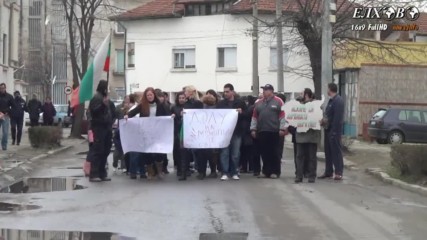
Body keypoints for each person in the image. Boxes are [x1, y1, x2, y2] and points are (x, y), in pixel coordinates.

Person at [125, 87, 170, 180]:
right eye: (148, 95)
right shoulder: (142, 105)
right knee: (148, 152)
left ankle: (159, 171)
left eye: (151, 95)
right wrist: (127, 116)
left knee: (159, 152)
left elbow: (167, 115)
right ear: (146, 96)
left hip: (158, 133)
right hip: (146, 132)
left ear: (154, 95)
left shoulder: (160, 105)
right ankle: (150, 171)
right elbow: (132, 113)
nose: (149, 97)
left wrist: (171, 116)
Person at [250, 84, 287, 179]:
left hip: (275, 131)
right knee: (264, 152)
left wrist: (282, 128)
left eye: (266, 90)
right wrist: (253, 129)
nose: (264, 91)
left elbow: (283, 116)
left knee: (275, 152)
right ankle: (266, 171)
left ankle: (275, 171)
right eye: (263, 90)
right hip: (262, 131)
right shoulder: (259, 103)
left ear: (271, 91)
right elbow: (254, 117)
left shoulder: (278, 101)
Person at [217, 83, 247, 181]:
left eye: (227, 91)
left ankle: (234, 171)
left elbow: (247, 115)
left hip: (236, 131)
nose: (225, 93)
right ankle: (225, 172)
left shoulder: (240, 102)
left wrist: (241, 112)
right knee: (224, 152)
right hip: (224, 132)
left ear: (232, 92)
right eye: (224, 92)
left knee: (235, 153)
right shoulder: (221, 104)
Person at [88, 80, 113, 182]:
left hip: (106, 127)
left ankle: (102, 172)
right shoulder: (97, 98)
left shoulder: (104, 98)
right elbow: (94, 111)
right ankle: (94, 174)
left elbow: (111, 112)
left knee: (105, 150)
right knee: (98, 151)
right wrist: (103, 104)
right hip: (99, 128)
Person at [319, 83, 345, 181]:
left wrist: (334, 132)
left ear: (330, 89)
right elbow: (329, 116)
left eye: (327, 88)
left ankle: (338, 172)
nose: (327, 90)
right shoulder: (331, 101)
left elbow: (338, 118)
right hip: (327, 130)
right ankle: (328, 171)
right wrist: (323, 121)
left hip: (334, 131)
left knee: (336, 152)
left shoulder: (338, 101)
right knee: (328, 152)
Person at [295, 88, 320, 183]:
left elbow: (320, 117)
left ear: (306, 95)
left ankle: (311, 176)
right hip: (301, 135)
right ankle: (299, 175)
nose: (300, 95)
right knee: (300, 156)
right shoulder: (298, 105)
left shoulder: (315, 105)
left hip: (312, 135)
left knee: (311, 157)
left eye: (302, 93)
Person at [178, 85, 203, 181]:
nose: (185, 93)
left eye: (186, 92)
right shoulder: (185, 103)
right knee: (184, 151)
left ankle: (201, 171)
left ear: (191, 92)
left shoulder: (198, 103)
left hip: (195, 129)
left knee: (198, 152)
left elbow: (199, 115)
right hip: (186, 128)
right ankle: (184, 173)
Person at [197, 91, 219, 180]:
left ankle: (202, 172)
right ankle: (213, 172)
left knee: (203, 155)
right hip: (210, 135)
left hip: (204, 134)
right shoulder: (216, 109)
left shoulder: (201, 109)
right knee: (211, 154)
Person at [171, 91, 186, 176]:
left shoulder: (188, 107)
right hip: (177, 132)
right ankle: (179, 169)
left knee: (184, 153)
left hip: (187, 132)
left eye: (183, 98)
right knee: (178, 152)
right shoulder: (174, 107)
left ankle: (185, 169)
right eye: (180, 98)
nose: (181, 99)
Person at [240, 95, 256, 174]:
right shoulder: (252, 108)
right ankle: (251, 167)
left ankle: (245, 167)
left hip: (245, 131)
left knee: (244, 151)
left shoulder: (247, 109)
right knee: (249, 151)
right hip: (248, 131)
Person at [0, 83, 15, 150]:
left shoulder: (9, 96)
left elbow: (13, 106)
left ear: (5, 88)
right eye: (0, 88)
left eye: (3, 88)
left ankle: (4, 145)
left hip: (5, 116)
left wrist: (8, 111)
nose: (2, 89)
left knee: (5, 132)